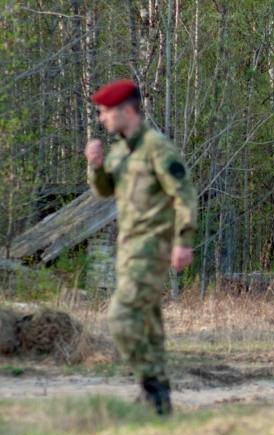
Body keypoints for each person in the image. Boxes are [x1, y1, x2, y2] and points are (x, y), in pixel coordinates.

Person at [86, 79, 198, 415]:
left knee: (121, 318)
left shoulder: (157, 148)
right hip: (128, 248)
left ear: (128, 110)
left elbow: (185, 196)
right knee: (149, 324)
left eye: (107, 112)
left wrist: (184, 242)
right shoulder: (120, 150)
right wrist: (95, 167)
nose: (103, 118)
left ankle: (151, 384)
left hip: (152, 248)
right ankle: (158, 400)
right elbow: (105, 191)